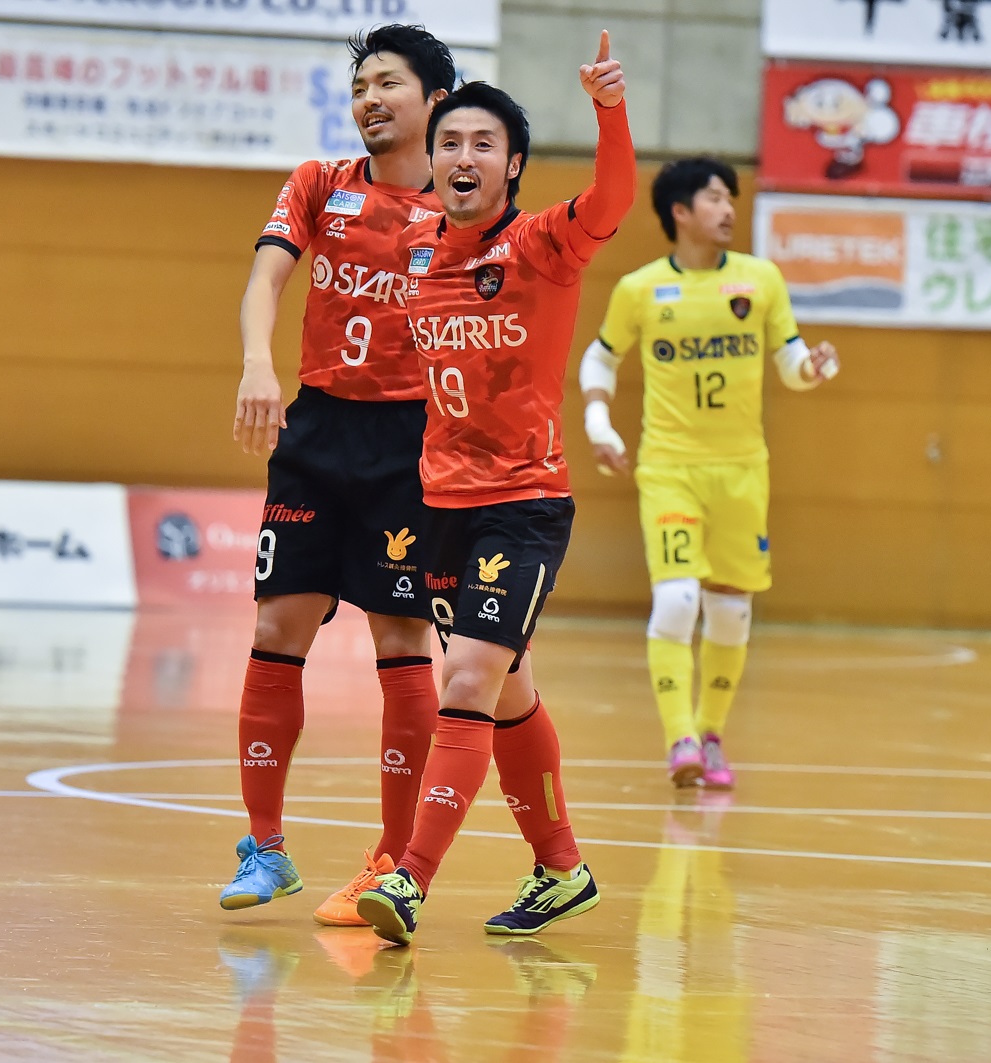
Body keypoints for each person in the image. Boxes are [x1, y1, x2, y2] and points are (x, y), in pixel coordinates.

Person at [355, 31, 636, 947]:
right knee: (509, 689)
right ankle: (562, 870)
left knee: (468, 676)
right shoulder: (414, 248)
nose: (463, 156)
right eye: (450, 142)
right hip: (441, 504)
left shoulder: (543, 244)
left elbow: (613, 199)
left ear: (512, 165)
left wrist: (609, 109)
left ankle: (409, 879)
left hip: (523, 504)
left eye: (484, 143)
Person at [219, 25, 454, 925]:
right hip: (317, 428)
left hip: (412, 442)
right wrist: (258, 364)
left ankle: (391, 865)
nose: (369, 99)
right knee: (277, 624)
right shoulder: (320, 182)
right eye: (360, 86)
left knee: (401, 639)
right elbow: (266, 280)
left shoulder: (462, 208)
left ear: (435, 100)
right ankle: (265, 848)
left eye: (388, 83)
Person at [578, 156, 839, 790]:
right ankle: (680, 740)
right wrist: (598, 423)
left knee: (730, 612)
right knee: (677, 599)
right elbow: (601, 357)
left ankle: (712, 733)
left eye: (731, 198)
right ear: (681, 211)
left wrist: (813, 368)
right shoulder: (641, 289)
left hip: (743, 471)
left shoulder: (760, 279)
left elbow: (790, 361)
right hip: (669, 468)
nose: (728, 209)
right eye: (716, 198)